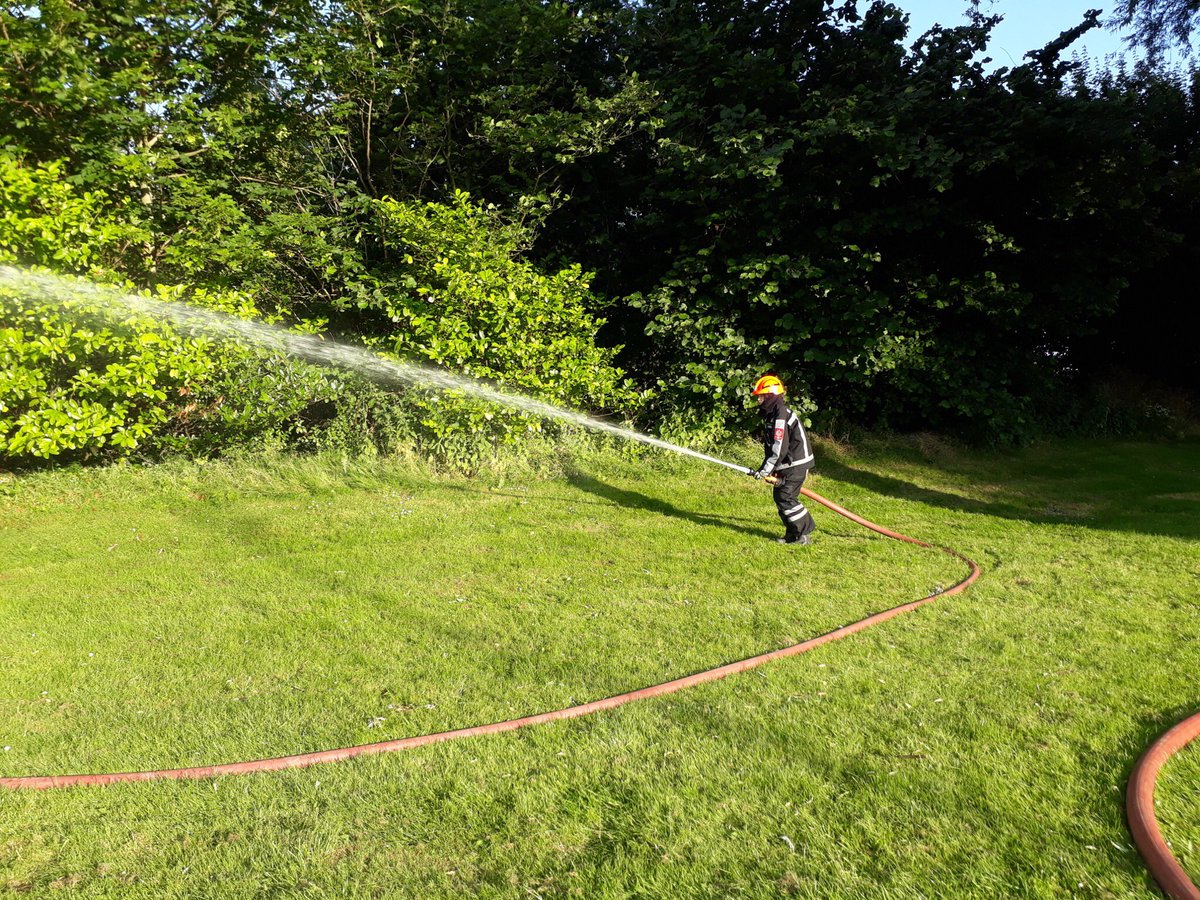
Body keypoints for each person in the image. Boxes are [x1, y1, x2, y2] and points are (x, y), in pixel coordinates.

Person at [749, 374, 815, 545]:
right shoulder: (774, 413)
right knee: (781, 497)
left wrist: (765, 470)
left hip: (796, 464)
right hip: (788, 464)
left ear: (770, 396)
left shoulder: (780, 415)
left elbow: (779, 447)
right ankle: (792, 535)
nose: (759, 401)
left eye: (761, 397)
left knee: (786, 497)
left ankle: (803, 533)